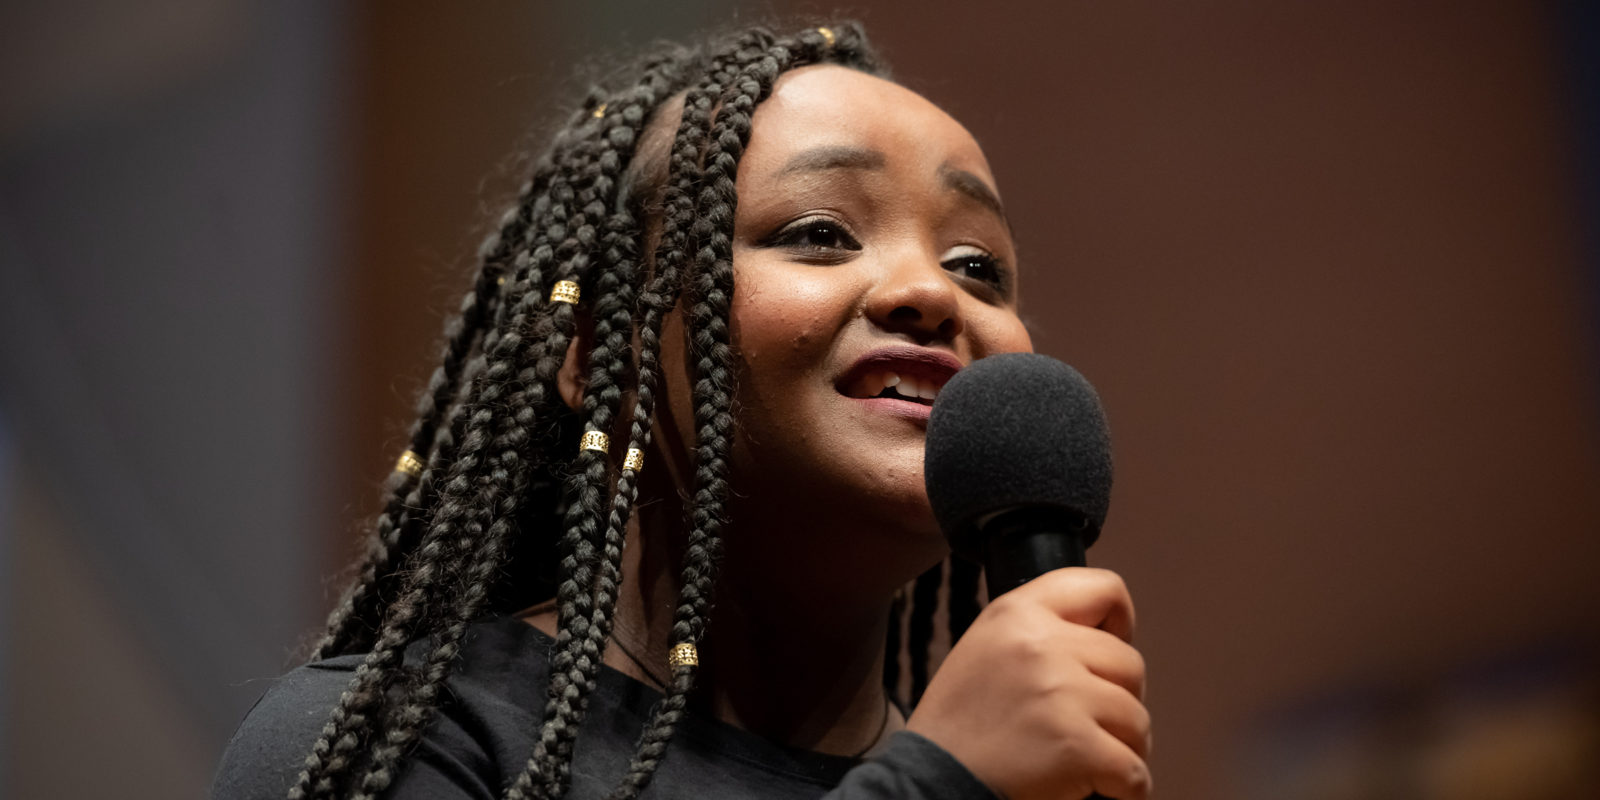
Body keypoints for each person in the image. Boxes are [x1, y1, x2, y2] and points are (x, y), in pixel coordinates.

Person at [211, 21, 1150, 800]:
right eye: (819, 233)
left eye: (976, 265)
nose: (928, 292)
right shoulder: (393, 740)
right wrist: (934, 786)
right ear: (602, 361)